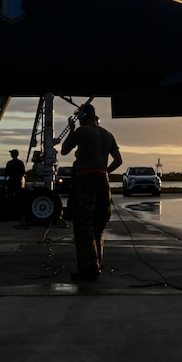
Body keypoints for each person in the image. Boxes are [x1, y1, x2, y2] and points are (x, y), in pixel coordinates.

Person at [59, 103, 122, 281]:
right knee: (98, 224)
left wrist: (71, 130)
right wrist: (104, 172)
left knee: (83, 225)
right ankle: (97, 262)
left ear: (83, 117)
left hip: (85, 180)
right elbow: (118, 160)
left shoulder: (81, 132)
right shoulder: (107, 134)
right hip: (103, 181)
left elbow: (64, 150)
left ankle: (88, 268)